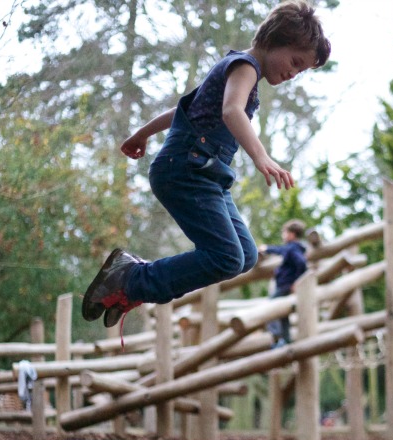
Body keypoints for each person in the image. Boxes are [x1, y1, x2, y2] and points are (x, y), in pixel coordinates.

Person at [81, 1, 330, 330]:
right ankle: (130, 279)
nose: (292, 74)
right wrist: (261, 156)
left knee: (245, 255)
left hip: (205, 175)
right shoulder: (245, 66)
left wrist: (141, 134)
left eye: (301, 72)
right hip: (185, 170)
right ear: (274, 39)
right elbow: (231, 112)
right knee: (226, 257)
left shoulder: (235, 70)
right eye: (294, 62)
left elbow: (183, 109)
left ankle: (130, 284)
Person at [262, 219, 308, 348]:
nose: (283, 235)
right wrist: (267, 249)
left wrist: (296, 282)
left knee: (269, 309)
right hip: (285, 285)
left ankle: (277, 338)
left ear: (292, 234)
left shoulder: (293, 248)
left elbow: (301, 263)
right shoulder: (292, 248)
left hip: (286, 285)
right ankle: (286, 340)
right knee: (283, 313)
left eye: (285, 232)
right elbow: (280, 250)